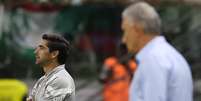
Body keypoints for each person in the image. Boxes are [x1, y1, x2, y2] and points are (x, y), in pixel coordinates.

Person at [121, 2, 193, 101]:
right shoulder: (171, 55)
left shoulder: (152, 59)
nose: (124, 39)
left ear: (136, 30)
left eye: (125, 30)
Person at [27, 34, 75, 101]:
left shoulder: (60, 79)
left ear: (54, 54)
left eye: (41, 48)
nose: (35, 52)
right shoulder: (42, 80)